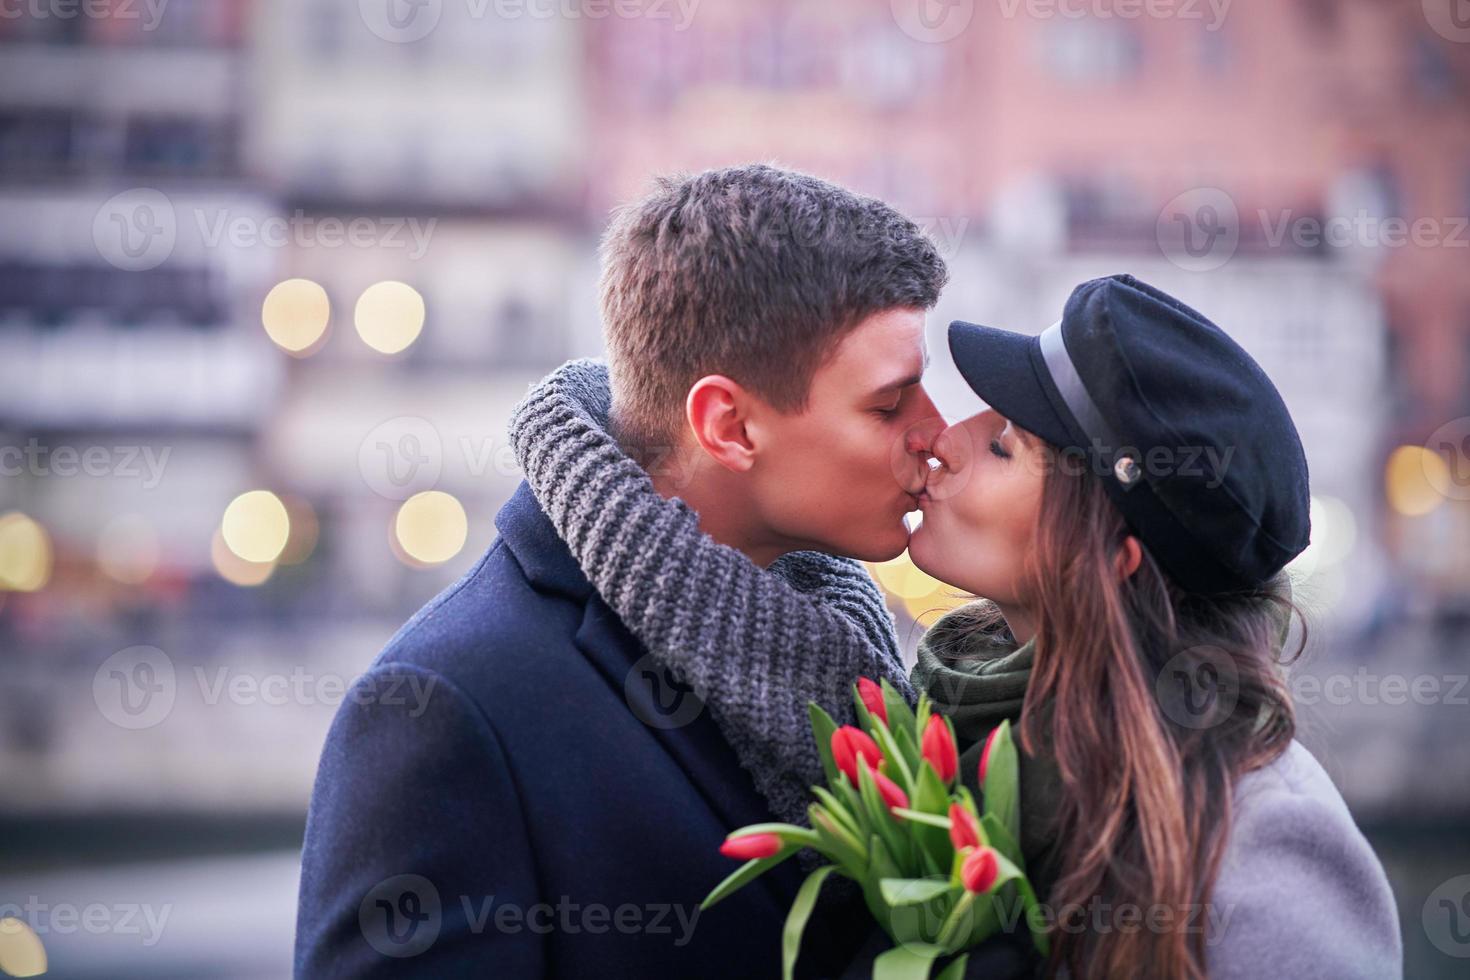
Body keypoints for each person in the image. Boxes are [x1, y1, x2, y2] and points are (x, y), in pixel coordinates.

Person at [525, 274, 1402, 978]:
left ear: (1107, 554)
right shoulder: (945, 735)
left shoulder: (1264, 845)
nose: (945, 437)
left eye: (1005, 445)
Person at [295, 164, 987, 978]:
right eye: (888, 404)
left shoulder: (844, 651)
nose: (936, 433)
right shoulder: (442, 710)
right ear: (728, 425)